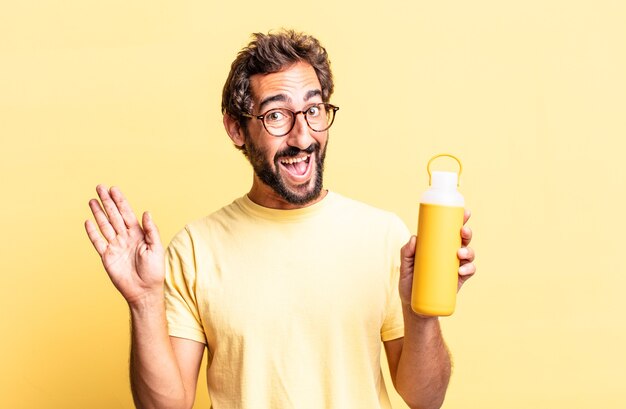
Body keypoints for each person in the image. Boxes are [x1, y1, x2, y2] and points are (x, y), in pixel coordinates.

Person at [85, 29, 476, 409]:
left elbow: (426, 400)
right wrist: (143, 301)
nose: (302, 136)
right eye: (276, 115)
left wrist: (420, 315)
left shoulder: (384, 236)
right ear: (237, 128)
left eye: (313, 109)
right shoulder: (195, 248)